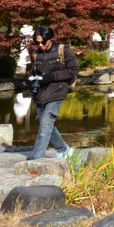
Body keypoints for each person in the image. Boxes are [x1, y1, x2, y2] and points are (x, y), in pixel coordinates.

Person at [27, 26, 78, 160]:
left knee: (45, 126)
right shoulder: (35, 53)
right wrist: (29, 80)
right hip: (39, 93)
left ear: (51, 39)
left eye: (43, 42)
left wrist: (52, 76)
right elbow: (32, 73)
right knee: (47, 124)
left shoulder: (63, 51)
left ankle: (36, 158)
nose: (40, 45)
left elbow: (73, 70)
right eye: (37, 42)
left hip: (57, 91)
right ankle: (64, 149)